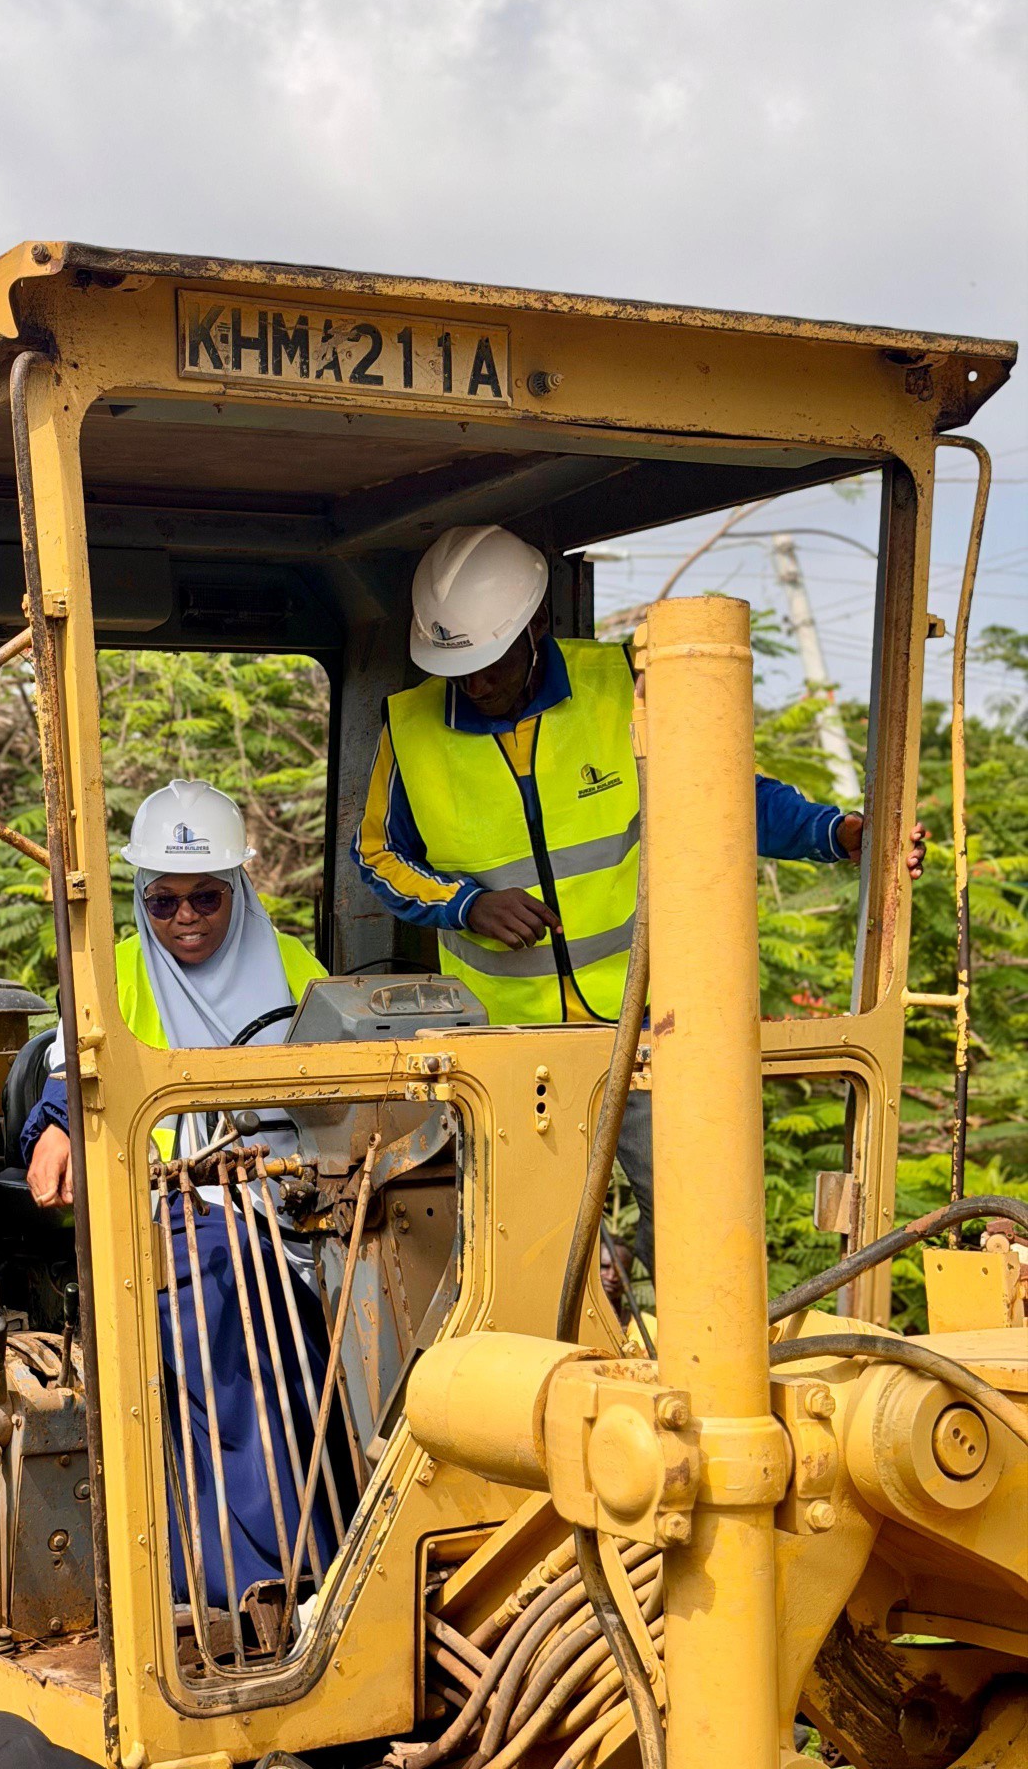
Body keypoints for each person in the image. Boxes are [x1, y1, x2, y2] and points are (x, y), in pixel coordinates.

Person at [351, 524, 926, 1271]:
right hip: (509, 1048)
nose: (476, 685)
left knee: (696, 1231)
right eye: (459, 670)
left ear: (537, 625)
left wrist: (836, 834)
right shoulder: (410, 728)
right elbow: (378, 856)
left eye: (490, 664)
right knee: (530, 1250)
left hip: (649, 1025)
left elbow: (722, 792)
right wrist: (467, 905)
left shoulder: (623, 686)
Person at [22, 779, 337, 1614]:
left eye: (206, 897)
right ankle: (261, 1573)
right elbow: (69, 1073)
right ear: (141, 898)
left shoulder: (295, 968)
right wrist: (56, 1127)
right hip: (185, 1210)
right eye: (164, 901)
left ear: (238, 889)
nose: (186, 918)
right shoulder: (116, 972)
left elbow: (351, 1061)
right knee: (221, 1289)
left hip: (308, 1194)